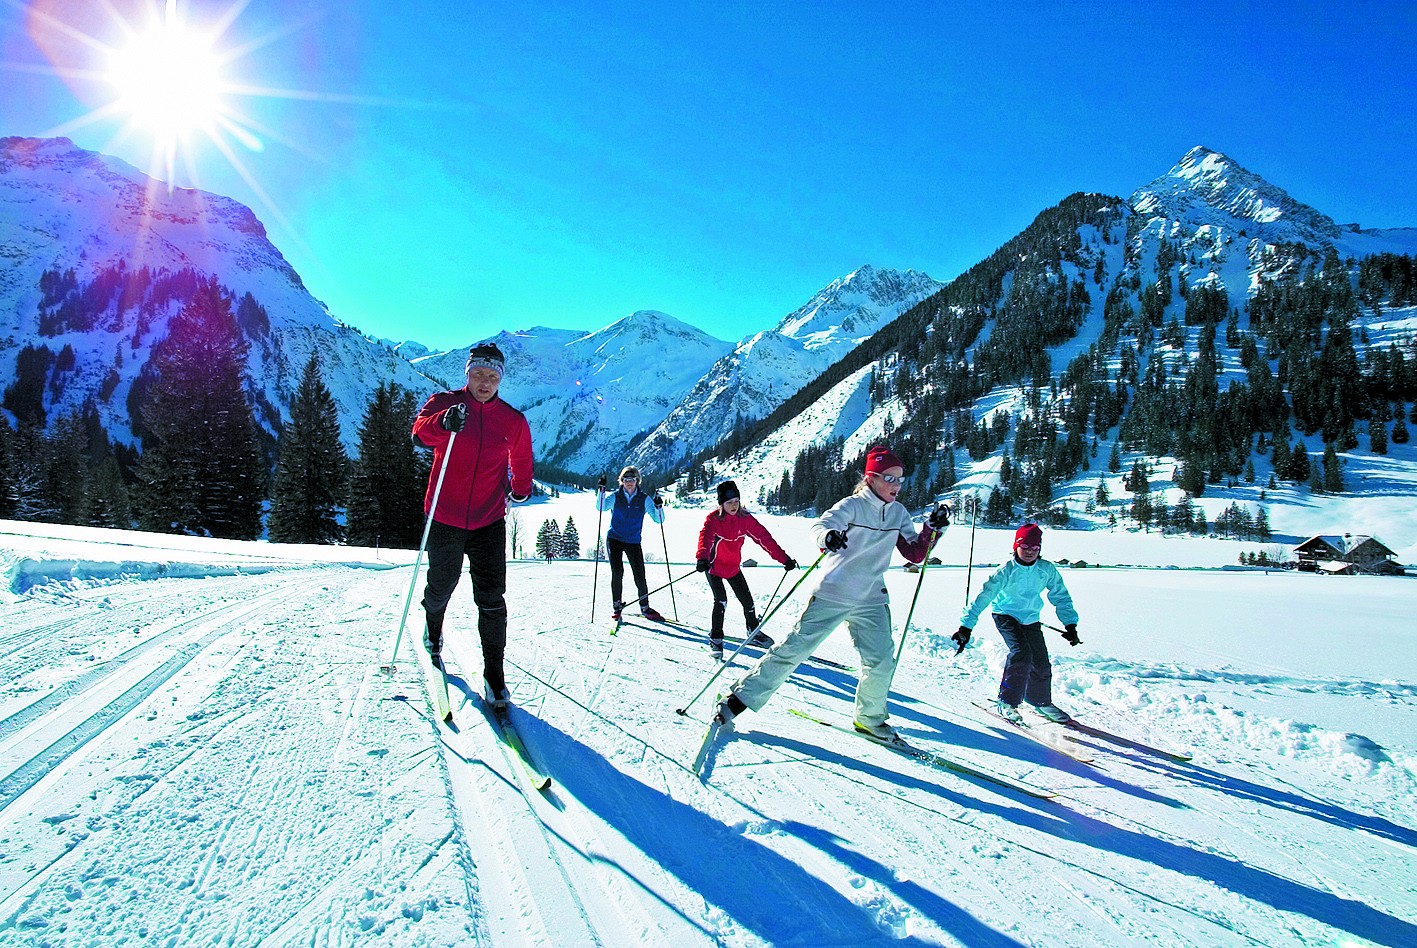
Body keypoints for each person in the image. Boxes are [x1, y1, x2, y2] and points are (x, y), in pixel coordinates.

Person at [716, 447, 950, 739]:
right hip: (834, 592)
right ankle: (736, 701)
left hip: (871, 599)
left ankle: (870, 719)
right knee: (794, 649)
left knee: (881, 661)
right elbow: (820, 526)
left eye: (900, 480)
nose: (896, 486)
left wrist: (933, 529)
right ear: (871, 478)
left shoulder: (899, 513)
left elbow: (916, 553)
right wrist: (827, 537)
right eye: (890, 478)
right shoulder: (851, 506)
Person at [411, 342, 533, 711]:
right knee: (441, 586)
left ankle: (494, 673)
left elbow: (522, 456)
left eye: (493, 376)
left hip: (488, 520)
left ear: (501, 380)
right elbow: (419, 434)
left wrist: (521, 489)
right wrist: (442, 423)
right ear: (468, 373)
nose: (485, 381)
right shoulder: (444, 403)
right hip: (445, 516)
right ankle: (433, 627)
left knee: (492, 598)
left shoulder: (512, 420)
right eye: (479, 373)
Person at [953, 522, 1080, 724]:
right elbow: (983, 597)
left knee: (1040, 661)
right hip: (1005, 614)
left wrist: (1070, 624)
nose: (1030, 552)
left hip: (1030, 618)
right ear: (1016, 547)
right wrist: (966, 626)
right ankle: (1007, 702)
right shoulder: (1006, 571)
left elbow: (1060, 596)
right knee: (1021, 653)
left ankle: (1039, 700)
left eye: (1035, 548)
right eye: (1025, 547)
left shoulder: (1046, 569)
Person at [696, 480, 797, 658]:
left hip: (733, 567)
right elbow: (705, 539)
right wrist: (702, 558)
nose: (734, 506)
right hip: (713, 566)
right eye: (729, 502)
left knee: (748, 603)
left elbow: (765, 539)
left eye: (736, 501)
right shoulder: (713, 520)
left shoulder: (745, 519)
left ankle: (753, 631)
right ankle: (716, 638)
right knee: (721, 601)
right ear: (721, 504)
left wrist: (784, 559)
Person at [596, 465, 666, 621]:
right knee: (617, 572)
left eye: (632, 479)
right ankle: (617, 606)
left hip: (633, 540)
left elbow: (658, 519)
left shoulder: (643, 499)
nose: (629, 482)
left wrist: (659, 506)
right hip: (614, 538)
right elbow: (601, 507)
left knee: (639, 575)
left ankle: (645, 607)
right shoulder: (615, 496)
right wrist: (601, 491)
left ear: (637, 480)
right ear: (621, 481)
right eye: (626, 479)